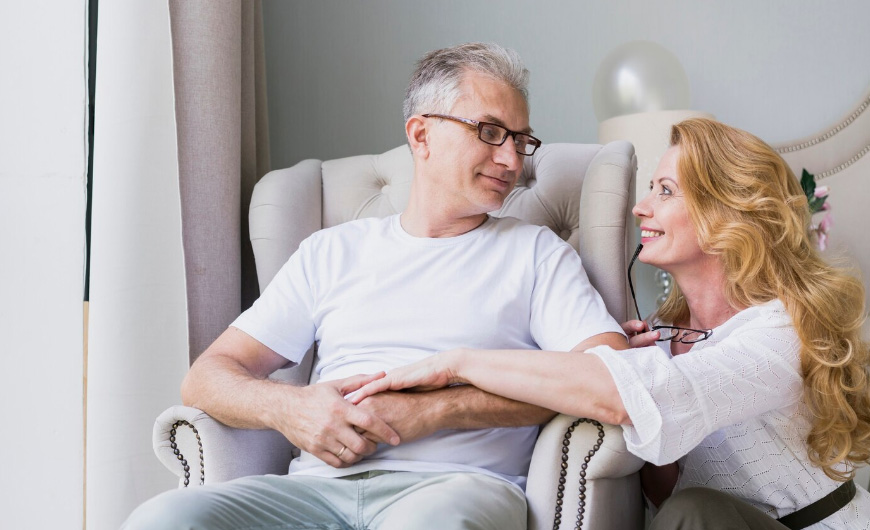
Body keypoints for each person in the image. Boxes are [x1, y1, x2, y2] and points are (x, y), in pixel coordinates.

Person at [123, 42, 626, 530]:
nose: (513, 161)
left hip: (454, 488)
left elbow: (610, 380)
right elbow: (206, 378)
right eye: (492, 132)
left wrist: (434, 411)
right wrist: (292, 408)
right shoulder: (330, 251)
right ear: (421, 135)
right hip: (314, 491)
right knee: (163, 519)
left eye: (520, 140)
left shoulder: (535, 253)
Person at [352, 118, 870, 529]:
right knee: (687, 509)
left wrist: (457, 363)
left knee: (697, 512)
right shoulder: (661, 342)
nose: (641, 207)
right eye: (649, 188)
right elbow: (664, 492)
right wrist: (638, 366)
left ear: (727, 214)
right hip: (707, 520)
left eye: (665, 191)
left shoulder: (777, 334)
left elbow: (635, 406)